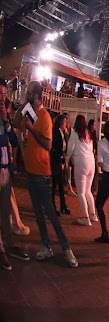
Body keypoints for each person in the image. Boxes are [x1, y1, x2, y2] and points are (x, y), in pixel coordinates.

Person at [19, 80, 77, 267]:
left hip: (42, 175)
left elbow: (47, 144)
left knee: (51, 214)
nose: (26, 95)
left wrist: (31, 129)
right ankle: (46, 246)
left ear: (35, 96)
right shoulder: (30, 113)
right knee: (37, 213)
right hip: (31, 172)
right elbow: (14, 123)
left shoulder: (43, 117)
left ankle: (67, 249)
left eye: (28, 93)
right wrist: (21, 107)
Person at [0, 82, 30, 269]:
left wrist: (6, 122)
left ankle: (9, 245)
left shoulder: (5, 116)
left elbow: (13, 141)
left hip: (5, 170)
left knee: (5, 213)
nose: (2, 97)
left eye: (3, 94)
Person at [65, 115, 98, 226]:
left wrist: (67, 158)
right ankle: (93, 215)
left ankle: (86, 217)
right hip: (91, 162)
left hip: (81, 162)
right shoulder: (88, 133)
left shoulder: (75, 134)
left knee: (81, 192)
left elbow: (70, 148)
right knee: (88, 191)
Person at [51, 113, 70, 216]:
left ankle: (63, 205)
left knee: (61, 184)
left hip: (59, 160)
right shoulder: (55, 131)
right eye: (65, 122)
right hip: (55, 160)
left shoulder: (62, 133)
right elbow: (55, 146)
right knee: (54, 184)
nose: (66, 124)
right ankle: (52, 206)